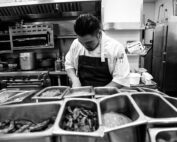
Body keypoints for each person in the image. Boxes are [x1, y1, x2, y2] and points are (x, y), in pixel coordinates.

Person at [65, 14, 130, 88]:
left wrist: (98, 93)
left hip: (107, 95)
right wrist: (75, 80)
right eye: (81, 42)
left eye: (89, 42)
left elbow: (120, 80)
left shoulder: (116, 48)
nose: (85, 46)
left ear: (99, 34)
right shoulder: (76, 44)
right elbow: (69, 64)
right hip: (82, 93)